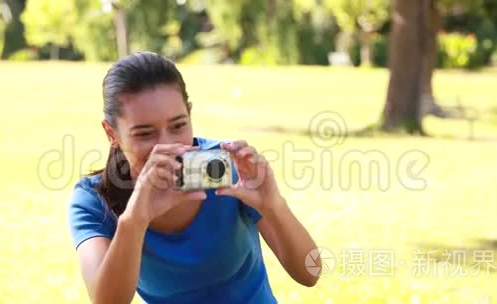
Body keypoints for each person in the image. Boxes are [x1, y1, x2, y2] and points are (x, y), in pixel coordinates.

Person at [67, 51, 321, 304]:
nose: (167, 146)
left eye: (178, 126)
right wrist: (134, 219)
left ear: (189, 114)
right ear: (111, 133)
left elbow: (310, 273)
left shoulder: (227, 168)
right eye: (145, 134)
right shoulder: (94, 199)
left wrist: (273, 205)